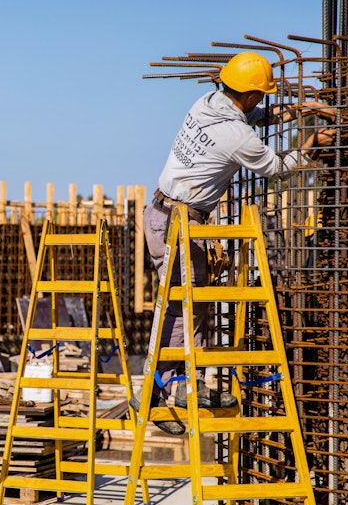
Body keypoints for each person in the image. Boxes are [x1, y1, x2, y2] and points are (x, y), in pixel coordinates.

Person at [133, 51, 334, 435]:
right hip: (177, 224)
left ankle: (167, 385)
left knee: (189, 303)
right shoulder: (235, 134)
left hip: (165, 214)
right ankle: (169, 388)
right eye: (260, 95)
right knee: (185, 307)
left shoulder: (208, 104)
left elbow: (255, 116)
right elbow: (276, 168)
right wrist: (309, 144)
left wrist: (302, 109)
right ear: (253, 94)